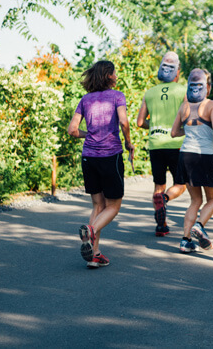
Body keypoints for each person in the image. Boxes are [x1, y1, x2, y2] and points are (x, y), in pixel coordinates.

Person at [67, 60, 134, 269]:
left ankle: (94, 254)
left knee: (98, 205)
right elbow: (123, 122)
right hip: (110, 155)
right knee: (113, 206)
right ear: (108, 76)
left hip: (88, 157)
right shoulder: (117, 96)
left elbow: (72, 130)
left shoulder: (85, 99)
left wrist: (91, 134)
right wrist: (129, 143)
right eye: (115, 73)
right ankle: (91, 230)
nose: (117, 76)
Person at [170, 69, 213, 253]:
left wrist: (188, 131)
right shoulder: (212, 105)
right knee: (212, 200)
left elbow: (174, 133)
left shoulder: (184, 107)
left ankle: (185, 240)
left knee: (195, 201)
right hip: (203, 156)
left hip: (185, 155)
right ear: (207, 87)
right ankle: (199, 225)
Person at [136, 51, 188, 237]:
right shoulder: (184, 90)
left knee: (159, 184)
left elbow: (140, 122)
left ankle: (161, 226)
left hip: (155, 144)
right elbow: (188, 118)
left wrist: (155, 127)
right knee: (181, 184)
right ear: (177, 72)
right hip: (177, 143)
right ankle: (164, 199)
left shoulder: (150, 93)